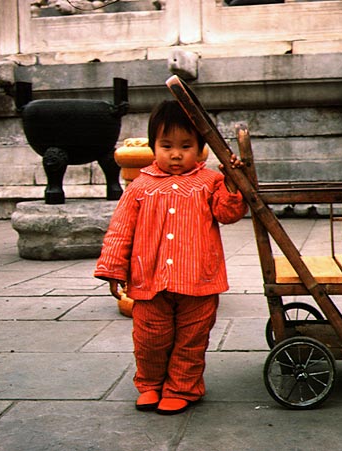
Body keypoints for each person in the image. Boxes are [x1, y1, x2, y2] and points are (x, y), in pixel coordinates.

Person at [94, 99, 248, 415]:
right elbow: (121, 230)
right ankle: (150, 385)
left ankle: (182, 387)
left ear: (201, 148)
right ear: (154, 146)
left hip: (198, 281)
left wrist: (233, 181)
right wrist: (113, 270)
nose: (176, 154)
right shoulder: (140, 187)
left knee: (191, 340)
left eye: (185, 146)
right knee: (149, 339)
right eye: (166, 146)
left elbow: (228, 212)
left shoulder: (209, 182)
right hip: (149, 281)